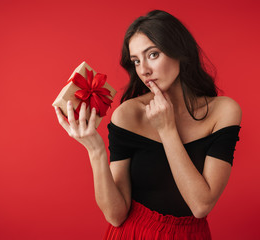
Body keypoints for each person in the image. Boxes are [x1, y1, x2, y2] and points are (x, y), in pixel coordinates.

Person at [54, 10, 241, 240]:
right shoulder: (128, 115)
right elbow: (115, 215)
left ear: (180, 52)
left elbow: (201, 205)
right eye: (136, 61)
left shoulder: (223, 111)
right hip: (134, 233)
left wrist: (167, 129)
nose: (143, 70)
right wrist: (95, 150)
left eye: (153, 54)